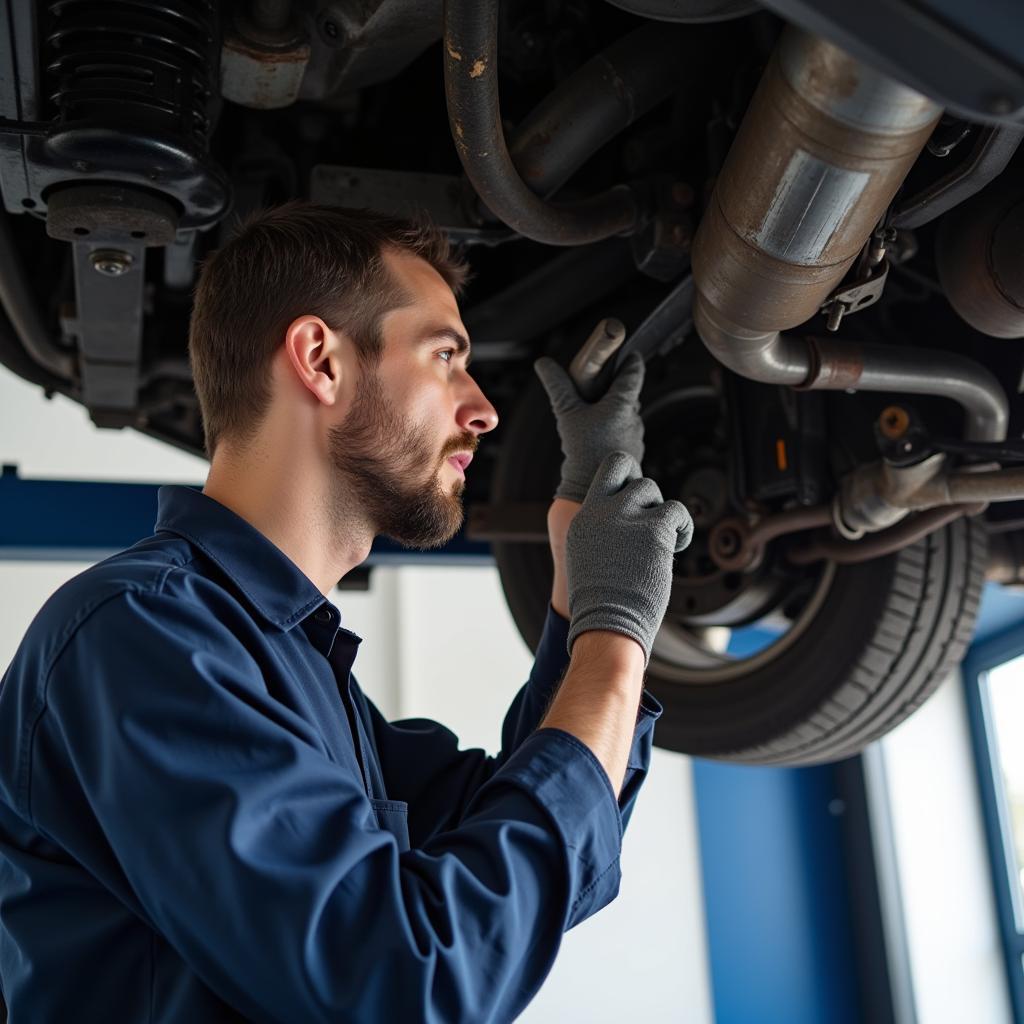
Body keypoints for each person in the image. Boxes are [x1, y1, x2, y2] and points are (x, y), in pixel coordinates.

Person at [0, 202, 692, 1022]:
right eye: (444, 357)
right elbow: (411, 980)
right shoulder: (140, 638)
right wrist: (613, 644)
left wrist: (583, 592)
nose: (484, 410)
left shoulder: (282, 663)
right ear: (320, 361)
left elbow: (520, 859)